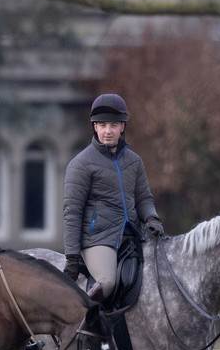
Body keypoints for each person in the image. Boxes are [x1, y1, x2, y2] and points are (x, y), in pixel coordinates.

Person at [62, 93, 164, 301]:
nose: (108, 131)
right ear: (95, 127)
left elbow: (144, 198)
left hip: (131, 235)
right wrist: (72, 256)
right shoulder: (81, 164)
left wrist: (152, 218)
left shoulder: (134, 161)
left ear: (122, 127)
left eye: (113, 125)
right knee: (107, 282)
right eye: (102, 125)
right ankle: (85, 328)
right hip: (97, 239)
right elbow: (72, 212)